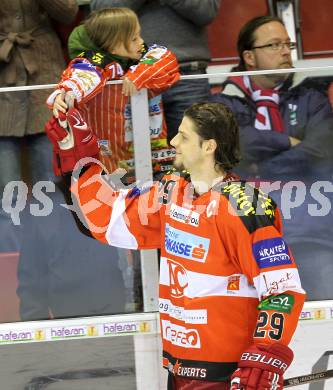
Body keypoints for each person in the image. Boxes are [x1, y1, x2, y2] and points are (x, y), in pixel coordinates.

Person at [46, 101, 306, 389]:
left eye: (183, 136)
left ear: (209, 146)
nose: (173, 142)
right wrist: (77, 153)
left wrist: (263, 357)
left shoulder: (244, 207)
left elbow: (282, 289)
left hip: (226, 372)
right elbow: (104, 218)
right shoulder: (172, 193)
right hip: (178, 367)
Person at [210, 15, 333, 301]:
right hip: (244, 236)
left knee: (327, 290)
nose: (286, 51)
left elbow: (320, 149)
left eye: (287, 44)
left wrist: (261, 169)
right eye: (275, 45)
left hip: (308, 231)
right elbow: (235, 144)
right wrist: (286, 142)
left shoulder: (310, 98)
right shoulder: (222, 103)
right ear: (249, 57)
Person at [47, 7, 180, 181]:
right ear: (114, 46)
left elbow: (166, 60)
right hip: (109, 161)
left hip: (149, 158)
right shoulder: (92, 63)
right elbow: (80, 78)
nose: (141, 42)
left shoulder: (145, 55)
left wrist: (137, 76)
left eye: (139, 35)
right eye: (134, 38)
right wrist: (63, 95)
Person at [0, 0, 78, 252]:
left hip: (44, 77)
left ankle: (56, 256)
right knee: (6, 191)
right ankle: (11, 262)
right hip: (4, 75)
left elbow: (68, 12)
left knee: (51, 183)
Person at [90, 0, 221, 142]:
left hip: (186, 74)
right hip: (129, 75)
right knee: (129, 159)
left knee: (195, 153)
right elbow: (100, 12)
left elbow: (207, 11)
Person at [17, 180, 126, 321]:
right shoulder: (45, 209)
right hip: (68, 322)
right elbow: (31, 277)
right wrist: (37, 333)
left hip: (116, 317)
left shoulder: (111, 199)